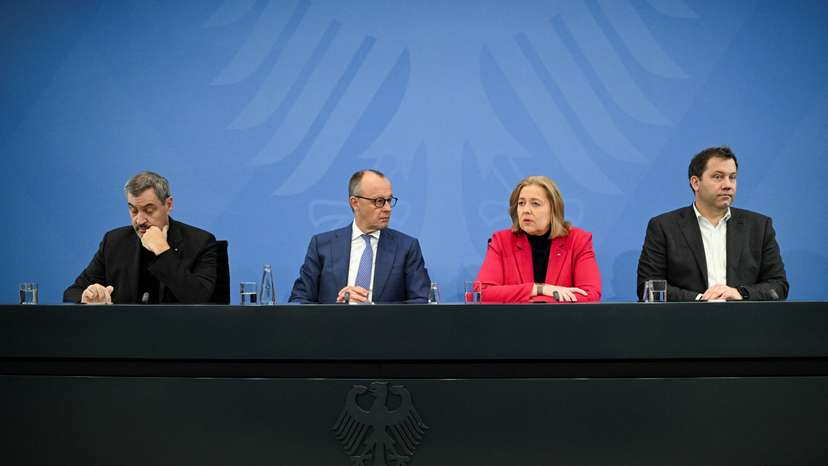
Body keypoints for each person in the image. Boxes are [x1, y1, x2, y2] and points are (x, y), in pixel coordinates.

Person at [636, 146, 789, 301]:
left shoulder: (759, 227)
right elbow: (648, 286)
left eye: (733, 177)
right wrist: (700, 299)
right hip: (685, 320)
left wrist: (741, 293)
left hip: (744, 320)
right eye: (718, 177)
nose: (728, 185)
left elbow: (778, 286)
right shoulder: (664, 227)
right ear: (696, 183)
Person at [64, 171, 224, 304]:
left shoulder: (200, 242)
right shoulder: (114, 241)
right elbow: (72, 292)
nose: (139, 220)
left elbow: (200, 299)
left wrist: (163, 250)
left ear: (168, 205)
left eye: (148, 210)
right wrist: (88, 297)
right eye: (133, 210)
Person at [289, 169, 430, 304]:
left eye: (389, 200)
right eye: (379, 201)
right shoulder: (322, 245)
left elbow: (422, 301)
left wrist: (372, 307)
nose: (387, 208)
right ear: (355, 203)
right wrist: (337, 307)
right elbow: (300, 299)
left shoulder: (406, 247)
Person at [475, 176, 601, 303]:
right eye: (521, 203)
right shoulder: (501, 241)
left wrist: (533, 301)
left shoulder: (578, 241)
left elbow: (590, 295)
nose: (526, 210)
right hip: (514, 321)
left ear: (553, 209)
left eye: (535, 204)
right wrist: (541, 289)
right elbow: (482, 293)